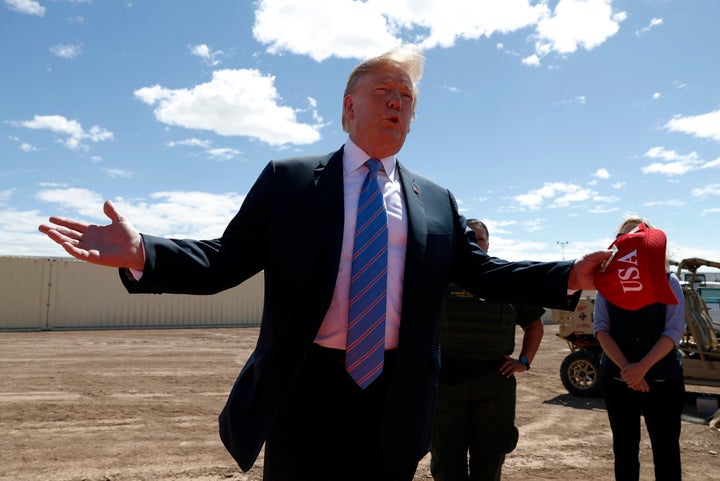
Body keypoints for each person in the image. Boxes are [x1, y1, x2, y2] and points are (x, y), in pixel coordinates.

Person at [39, 45, 610, 481]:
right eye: (385, 90)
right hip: (306, 385)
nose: (396, 102)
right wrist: (144, 252)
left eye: (407, 98)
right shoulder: (289, 182)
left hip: (397, 391)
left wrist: (568, 275)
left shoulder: (436, 200)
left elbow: (483, 272)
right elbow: (224, 260)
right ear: (348, 106)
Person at [431, 219, 545, 481]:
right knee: (446, 460)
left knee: (490, 459)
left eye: (479, 238)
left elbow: (534, 326)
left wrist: (524, 361)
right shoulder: (438, 277)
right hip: (447, 383)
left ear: (488, 243)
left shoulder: (506, 276)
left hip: (494, 383)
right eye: (468, 238)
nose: (475, 242)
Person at [593, 217, 685, 481]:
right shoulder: (606, 286)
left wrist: (640, 369)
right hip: (617, 379)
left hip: (662, 379)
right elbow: (601, 328)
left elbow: (673, 332)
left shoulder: (669, 282)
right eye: (624, 237)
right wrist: (628, 371)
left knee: (666, 451)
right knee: (624, 450)